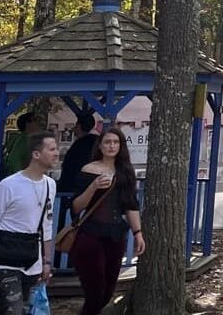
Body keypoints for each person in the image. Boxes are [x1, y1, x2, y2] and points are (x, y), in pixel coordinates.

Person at [0, 132, 58, 315]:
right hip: (5, 262)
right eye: (52, 149)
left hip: (33, 262)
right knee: (12, 310)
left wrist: (47, 261)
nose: (57, 153)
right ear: (36, 154)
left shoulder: (50, 185)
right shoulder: (9, 185)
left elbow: (46, 226)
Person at [70, 128, 145, 315]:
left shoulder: (125, 171)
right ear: (100, 146)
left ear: (121, 146)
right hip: (90, 235)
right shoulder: (89, 169)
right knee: (95, 291)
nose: (112, 146)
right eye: (107, 142)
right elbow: (76, 207)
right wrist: (93, 187)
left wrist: (138, 233)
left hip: (115, 235)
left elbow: (130, 204)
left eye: (116, 142)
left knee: (108, 292)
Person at [58, 113, 100, 193]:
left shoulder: (78, 145)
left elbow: (69, 166)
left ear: (79, 126)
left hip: (73, 186)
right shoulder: (97, 141)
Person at [1, 112, 41, 178]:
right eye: (35, 119)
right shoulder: (24, 140)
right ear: (27, 124)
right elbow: (14, 162)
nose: (39, 122)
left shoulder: (16, 139)